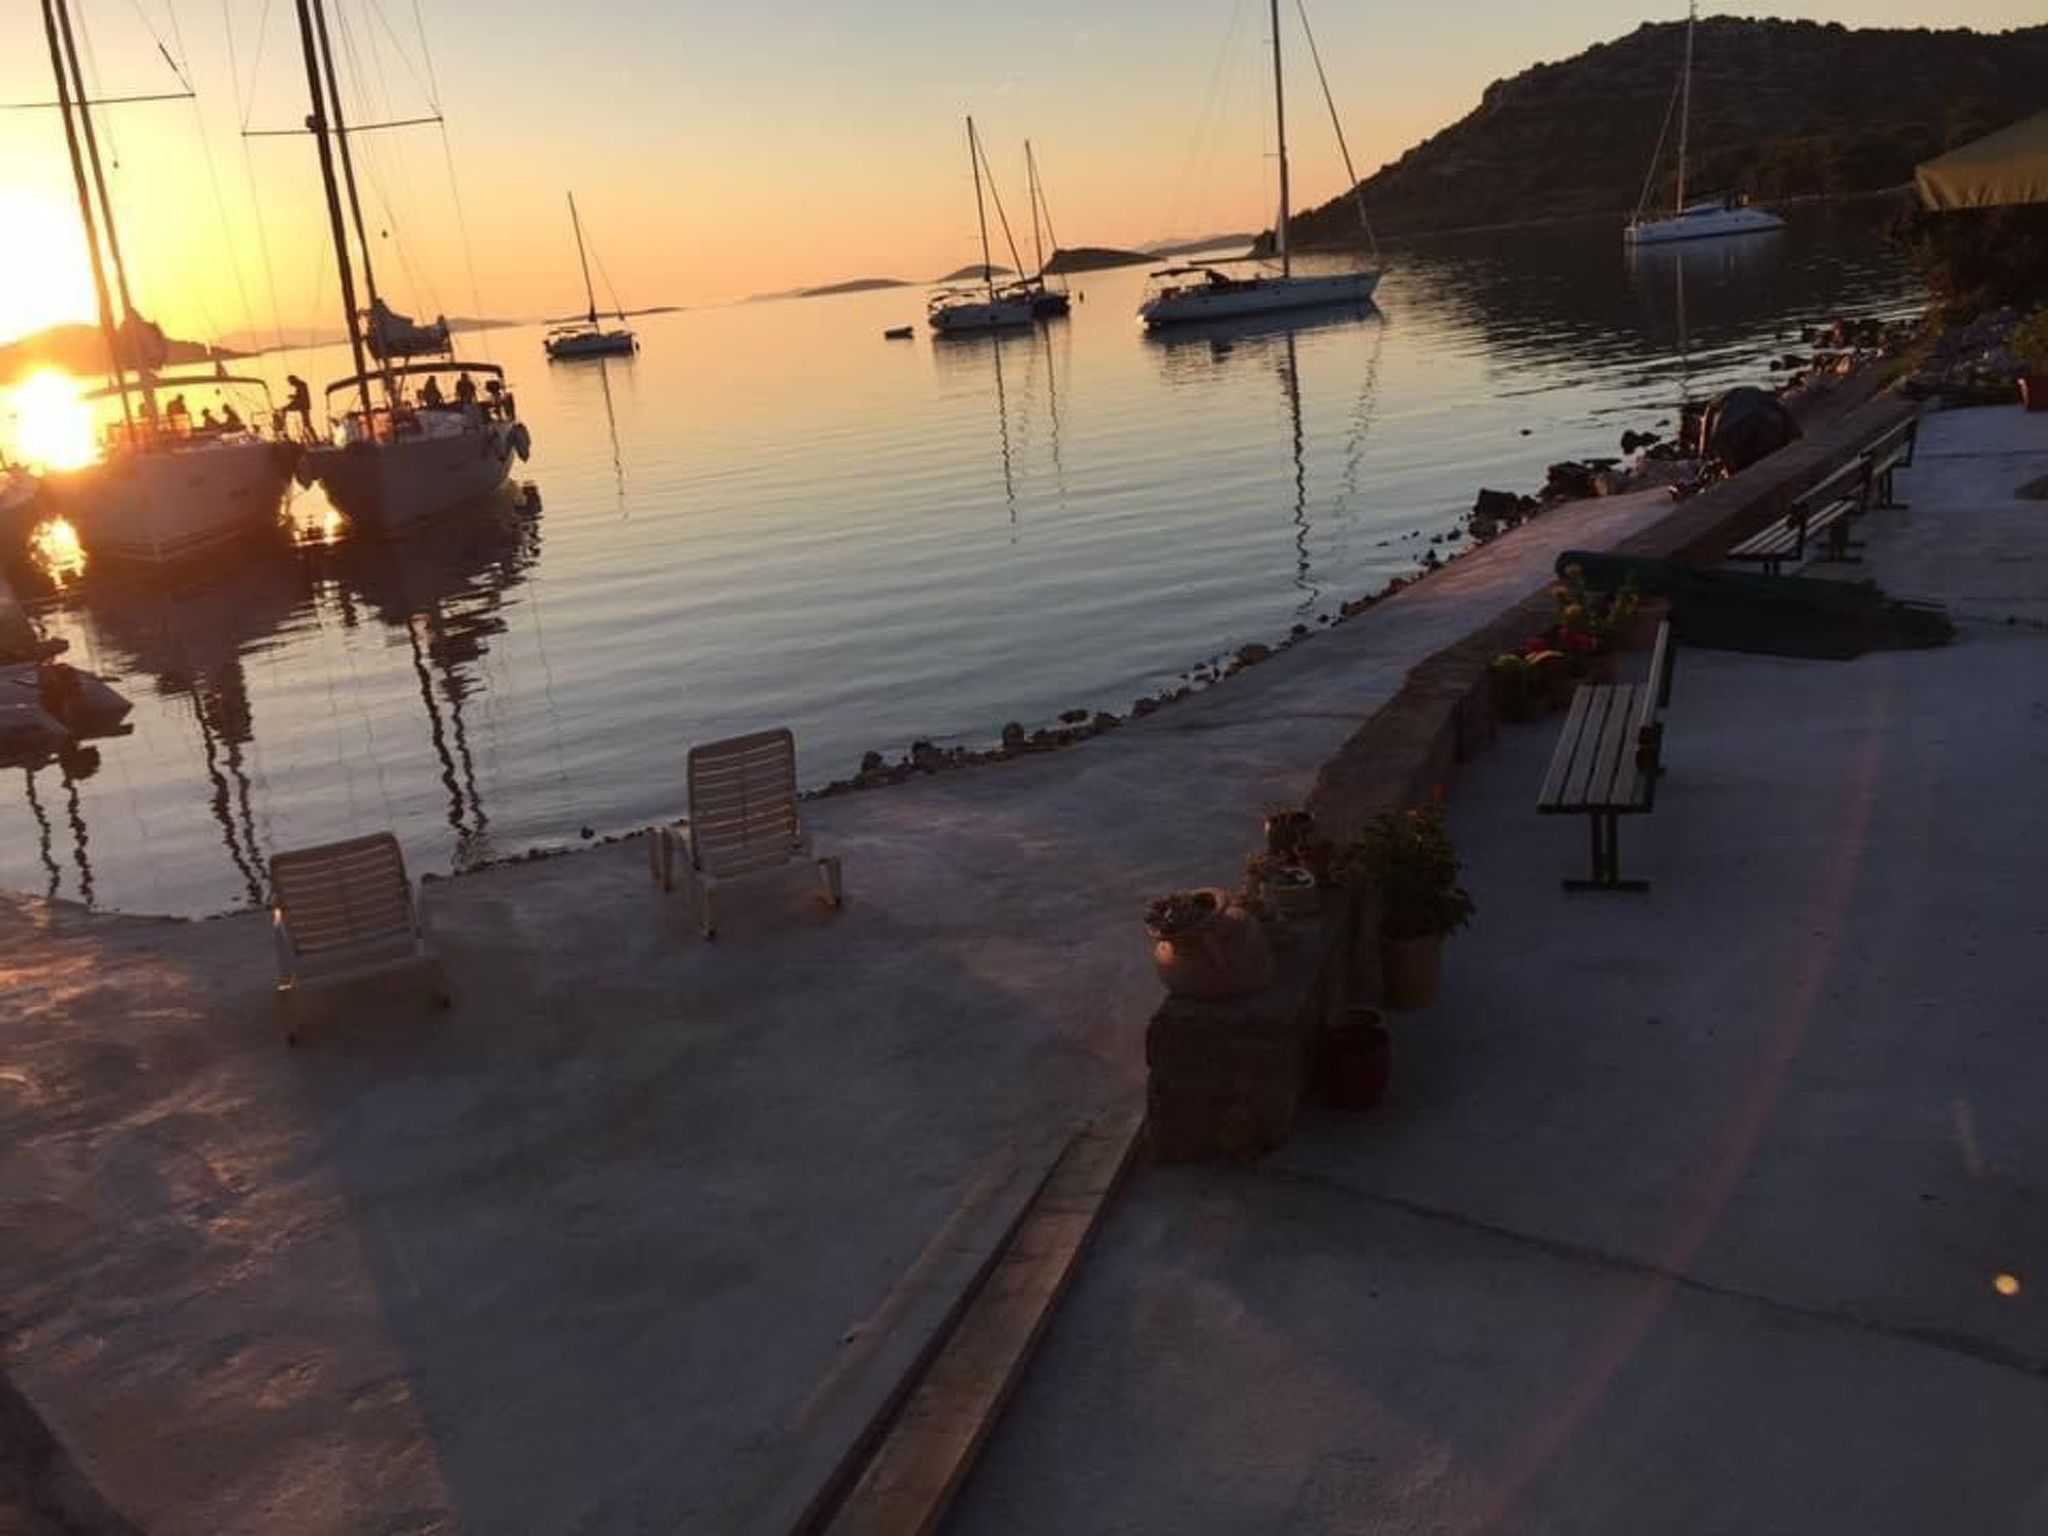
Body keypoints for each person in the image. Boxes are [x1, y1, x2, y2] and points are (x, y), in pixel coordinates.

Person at [285, 375, 312, 440]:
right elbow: (299, 397)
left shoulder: (301, 385)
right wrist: (293, 398)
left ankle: (312, 438)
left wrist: (293, 397)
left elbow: (300, 397)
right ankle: (308, 437)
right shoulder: (300, 385)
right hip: (302, 406)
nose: (290, 384)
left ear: (293, 380)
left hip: (303, 406)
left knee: (307, 424)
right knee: (306, 424)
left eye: (290, 382)